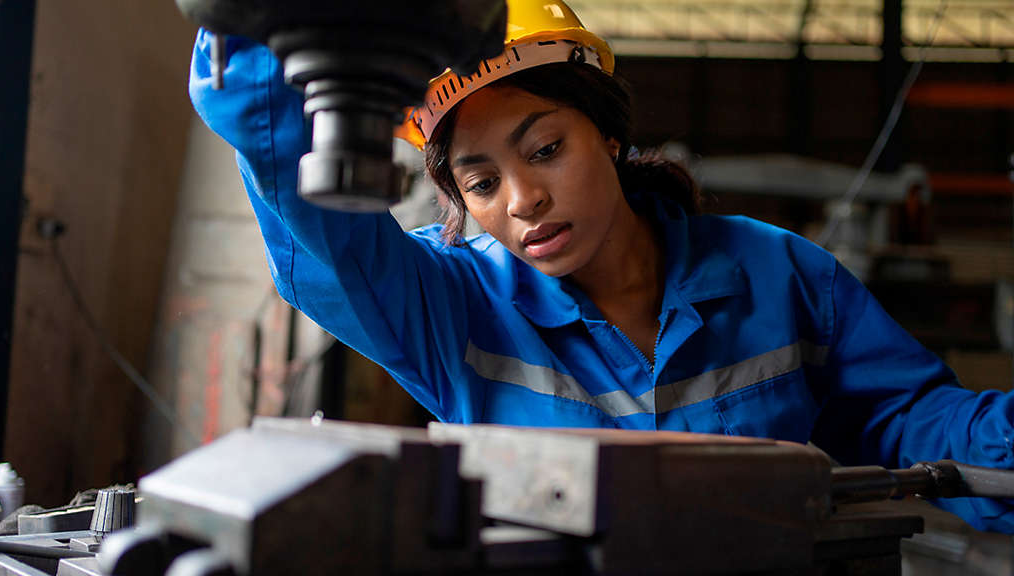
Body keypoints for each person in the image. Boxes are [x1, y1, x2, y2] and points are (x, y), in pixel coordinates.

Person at [188, 0, 1014, 533]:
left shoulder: (778, 274)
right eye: (480, 182)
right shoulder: (451, 310)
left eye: (545, 149)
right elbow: (318, 229)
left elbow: (908, 421)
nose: (522, 200)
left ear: (610, 139)